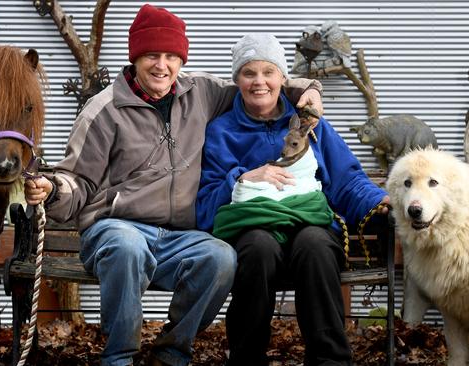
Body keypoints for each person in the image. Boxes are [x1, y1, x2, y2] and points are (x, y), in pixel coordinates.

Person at [24, 4, 324, 366]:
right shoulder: (103, 110)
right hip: (116, 228)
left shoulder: (202, 93)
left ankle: (171, 352)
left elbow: (256, 84)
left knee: (221, 258)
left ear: (181, 61)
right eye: (151, 55)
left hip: (179, 236)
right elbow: (78, 178)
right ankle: (119, 357)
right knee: (128, 247)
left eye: (170, 56)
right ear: (135, 57)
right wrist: (53, 189)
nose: (161, 66)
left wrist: (307, 88)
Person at [195, 33, 390, 366]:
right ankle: (246, 359)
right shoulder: (220, 131)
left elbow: (345, 179)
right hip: (253, 227)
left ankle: (330, 360)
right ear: (236, 80)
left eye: (268, 72)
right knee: (258, 246)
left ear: (283, 79)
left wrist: (379, 202)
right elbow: (206, 205)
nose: (259, 82)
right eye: (249, 73)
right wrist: (241, 177)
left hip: (308, 224)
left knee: (315, 244)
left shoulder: (312, 124)